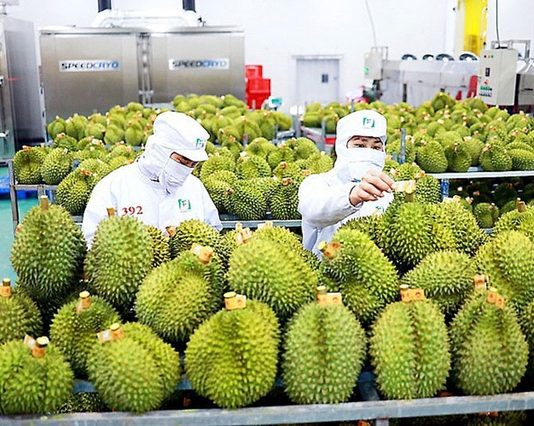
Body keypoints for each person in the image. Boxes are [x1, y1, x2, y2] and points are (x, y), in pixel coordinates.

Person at [82, 111, 222, 246]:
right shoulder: (112, 187)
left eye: (193, 164)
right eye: (182, 161)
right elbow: (92, 242)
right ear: (160, 151)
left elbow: (213, 234)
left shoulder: (195, 187)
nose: (187, 169)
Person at [298, 109, 394, 255]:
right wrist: (352, 195)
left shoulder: (388, 194)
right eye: (360, 145)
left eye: (376, 147)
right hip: (321, 268)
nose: (369, 153)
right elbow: (313, 210)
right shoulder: (316, 184)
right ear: (342, 147)